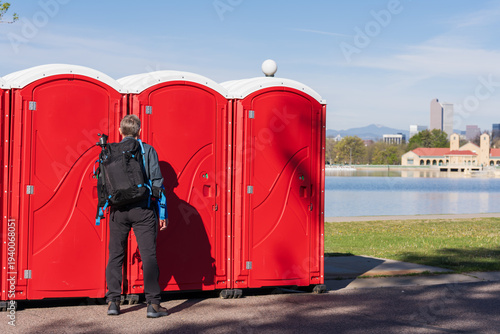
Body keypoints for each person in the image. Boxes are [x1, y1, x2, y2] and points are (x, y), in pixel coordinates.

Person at [105, 115, 168, 318]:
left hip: (118, 211)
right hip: (143, 209)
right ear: (139, 131)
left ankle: (113, 302)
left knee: (116, 255)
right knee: (148, 255)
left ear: (120, 131)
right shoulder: (148, 150)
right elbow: (157, 182)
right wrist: (162, 212)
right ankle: (153, 305)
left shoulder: (111, 150)